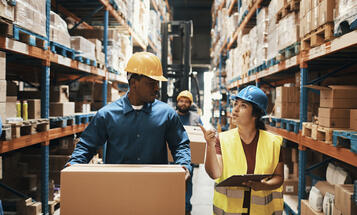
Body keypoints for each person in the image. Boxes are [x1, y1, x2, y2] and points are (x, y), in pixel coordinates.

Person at [67, 52, 191, 181]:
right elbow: (87, 146)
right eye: (151, 83)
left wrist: (184, 165)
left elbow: (180, 145)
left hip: (154, 187)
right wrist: (73, 164)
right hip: (118, 188)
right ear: (133, 83)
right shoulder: (107, 115)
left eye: (157, 83)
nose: (156, 88)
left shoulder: (166, 114)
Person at [200, 85, 284, 215]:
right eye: (235, 104)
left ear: (255, 114)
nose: (235, 110)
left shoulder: (274, 143)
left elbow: (279, 177)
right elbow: (215, 173)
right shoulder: (222, 140)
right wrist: (210, 146)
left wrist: (264, 186)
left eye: (243, 106)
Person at [176, 90, 202, 215]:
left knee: (187, 182)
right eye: (181, 101)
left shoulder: (195, 118)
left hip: (189, 157)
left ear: (190, 104)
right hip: (172, 157)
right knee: (171, 181)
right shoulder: (172, 116)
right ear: (177, 102)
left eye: (186, 102)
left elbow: (201, 135)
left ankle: (186, 208)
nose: (183, 104)